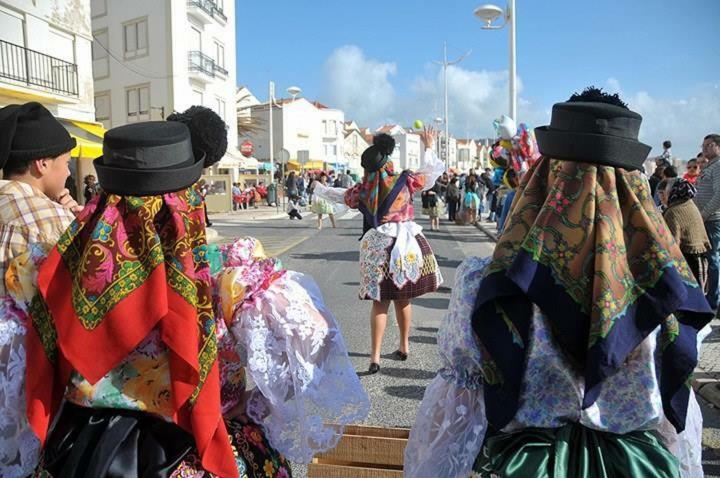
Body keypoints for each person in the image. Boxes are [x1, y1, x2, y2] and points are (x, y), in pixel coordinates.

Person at [20, 107, 369, 477]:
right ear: (186, 199)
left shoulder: (60, 265)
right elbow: (313, 346)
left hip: (85, 452)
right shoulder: (227, 275)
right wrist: (252, 403)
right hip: (190, 451)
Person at [405, 87, 712, 477]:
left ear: (542, 182)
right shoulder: (670, 291)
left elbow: (455, 420)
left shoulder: (486, 283)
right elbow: (675, 423)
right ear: (636, 192)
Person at [314, 129, 444, 374]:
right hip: (406, 245)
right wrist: (429, 145)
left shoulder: (363, 190)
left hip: (379, 245)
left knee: (380, 303)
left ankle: (375, 357)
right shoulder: (405, 181)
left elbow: (339, 196)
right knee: (403, 299)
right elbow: (430, 173)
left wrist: (320, 188)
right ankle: (404, 346)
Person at [0, 101, 84, 477]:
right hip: (29, 373)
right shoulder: (50, 217)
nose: (68, 171)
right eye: (65, 161)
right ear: (41, 164)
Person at [663, 178, 710, 292]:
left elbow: (673, 242)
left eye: (664, 192)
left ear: (672, 191)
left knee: (691, 295)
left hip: (689, 258)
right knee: (700, 293)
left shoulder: (673, 211)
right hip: (700, 254)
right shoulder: (689, 204)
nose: (663, 196)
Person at [694, 133, 720, 310]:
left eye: (709, 145)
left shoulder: (718, 166)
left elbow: (719, 195)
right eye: (703, 145)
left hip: (711, 220)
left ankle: (714, 300)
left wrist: (703, 215)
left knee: (712, 259)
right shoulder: (709, 166)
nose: (704, 148)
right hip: (704, 219)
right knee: (708, 259)